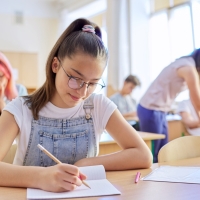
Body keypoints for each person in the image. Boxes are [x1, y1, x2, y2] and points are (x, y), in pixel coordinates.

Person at [0, 18, 152, 192]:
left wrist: (86, 163)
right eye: (75, 79)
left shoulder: (98, 105)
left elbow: (143, 155)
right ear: (55, 65)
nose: (82, 92)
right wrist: (41, 177)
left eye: (92, 83)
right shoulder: (20, 109)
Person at [137, 49, 200, 163]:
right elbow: (197, 99)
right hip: (150, 108)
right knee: (153, 154)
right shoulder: (188, 67)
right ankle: (150, 179)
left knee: (164, 153)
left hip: (161, 110)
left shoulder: (186, 65)